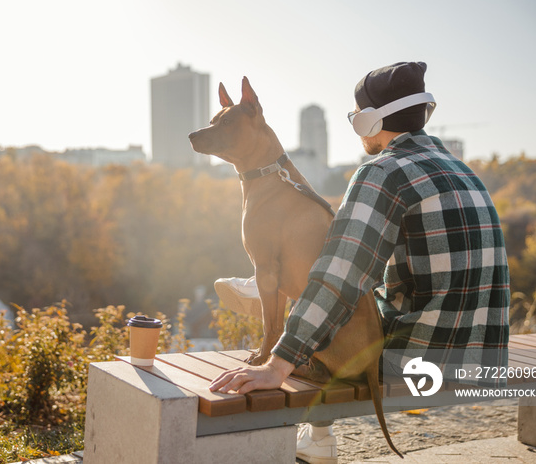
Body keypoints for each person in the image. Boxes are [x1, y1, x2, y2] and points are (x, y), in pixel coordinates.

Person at [210, 61, 510, 464]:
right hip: (485, 356)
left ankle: (269, 289)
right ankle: (271, 288)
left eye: (356, 118)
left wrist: (278, 365)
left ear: (370, 121)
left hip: (418, 360)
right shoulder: (465, 171)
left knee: (321, 295)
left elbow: (340, 276)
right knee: (336, 293)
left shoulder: (383, 172)